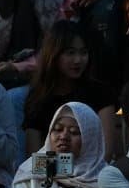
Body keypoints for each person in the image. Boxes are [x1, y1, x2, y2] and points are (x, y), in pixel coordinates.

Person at [21, 21, 119, 160]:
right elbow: (34, 158)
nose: (78, 60)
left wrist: (80, 174)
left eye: (83, 52)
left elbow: (106, 152)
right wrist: (64, 173)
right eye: (70, 53)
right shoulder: (38, 98)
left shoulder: (101, 93)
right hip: (49, 177)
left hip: (94, 174)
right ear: (54, 54)